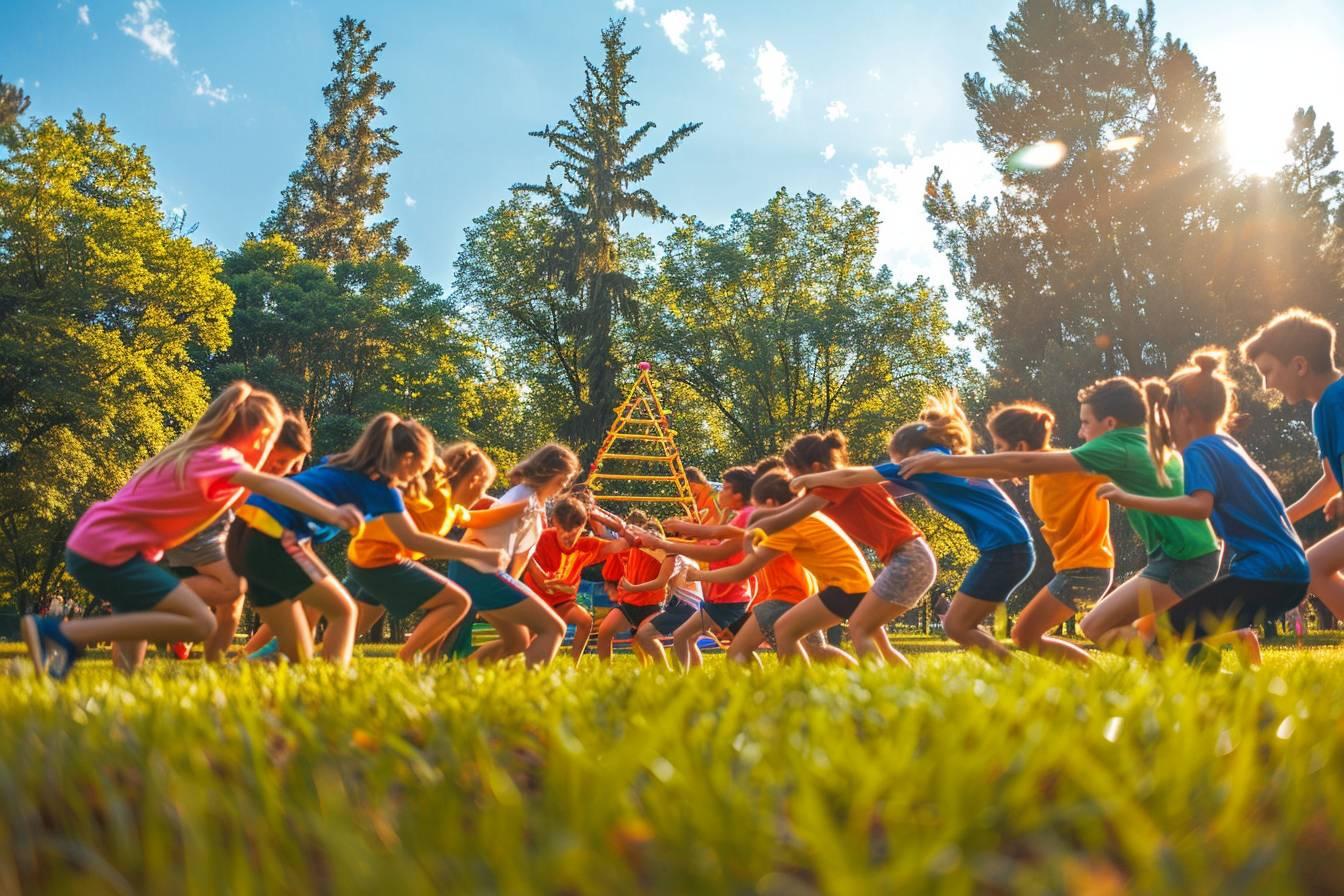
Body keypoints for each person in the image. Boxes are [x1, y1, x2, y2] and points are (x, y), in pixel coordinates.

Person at [22, 383, 363, 678]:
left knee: (135, 623)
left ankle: (121, 679)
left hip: (104, 546)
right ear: (260, 437)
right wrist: (329, 511)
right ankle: (62, 633)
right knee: (201, 623)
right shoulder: (222, 458)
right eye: (271, 447)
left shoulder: (200, 451)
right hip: (109, 550)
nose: (278, 467)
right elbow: (268, 486)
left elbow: (252, 498)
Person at [899, 379, 1223, 655]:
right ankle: (1187, 669)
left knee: (1100, 627)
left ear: (1109, 423)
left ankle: (1191, 672)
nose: (1081, 433)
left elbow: (1023, 464)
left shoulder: (1113, 447)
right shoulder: (1141, 439)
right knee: (1100, 626)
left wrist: (942, 464)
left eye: (1085, 423)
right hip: (1180, 555)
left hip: (1185, 559)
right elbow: (1010, 465)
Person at [229, 413, 505, 668]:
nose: (416, 476)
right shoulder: (380, 488)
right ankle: (333, 679)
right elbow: (415, 540)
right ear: (407, 458)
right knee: (343, 612)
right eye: (418, 467)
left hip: (246, 531)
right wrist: (481, 555)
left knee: (302, 636)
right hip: (271, 534)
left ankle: (243, 667)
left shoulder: (340, 464)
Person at [1099, 351, 1309, 664]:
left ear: (1184, 414)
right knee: (1185, 633)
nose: (1167, 430)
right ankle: (1218, 688)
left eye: (1168, 419)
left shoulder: (1199, 450)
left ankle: (1226, 700)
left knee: (1160, 634)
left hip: (1264, 574)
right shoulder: (1226, 444)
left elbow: (1199, 507)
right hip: (1291, 574)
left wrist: (1129, 499)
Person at [794, 392, 1035, 662]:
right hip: (1010, 547)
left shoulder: (918, 464)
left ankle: (1016, 674)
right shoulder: (935, 460)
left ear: (905, 453)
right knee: (957, 625)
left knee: (955, 626)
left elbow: (852, 477)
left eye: (894, 459)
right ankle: (1013, 673)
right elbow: (878, 490)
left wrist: (808, 480)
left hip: (1007, 548)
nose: (895, 465)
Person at [752, 430, 936, 667]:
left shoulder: (830, 486)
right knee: (875, 637)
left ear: (816, 468)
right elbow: (787, 511)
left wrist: (749, 528)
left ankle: (882, 691)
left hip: (908, 558)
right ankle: (905, 688)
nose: (792, 481)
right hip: (912, 557)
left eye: (794, 473)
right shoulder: (840, 482)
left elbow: (786, 517)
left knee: (860, 627)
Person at [344, 441, 512, 663]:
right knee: (458, 602)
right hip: (380, 558)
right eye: (482, 490)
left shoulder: (452, 508)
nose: (481, 497)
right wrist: (481, 554)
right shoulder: (436, 495)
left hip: (367, 557)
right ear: (473, 481)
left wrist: (524, 505)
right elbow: (423, 543)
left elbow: (480, 517)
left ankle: (315, 658)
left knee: (352, 627)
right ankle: (408, 657)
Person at [163, 413, 312, 662]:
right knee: (234, 588)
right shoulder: (242, 463)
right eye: (285, 461)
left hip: (211, 532)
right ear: (267, 443)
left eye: (295, 463)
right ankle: (149, 595)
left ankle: (214, 665)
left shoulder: (257, 470)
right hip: (194, 529)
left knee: (232, 597)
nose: (289, 470)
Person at [1240, 309, 1344, 619]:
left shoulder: (1334, 401)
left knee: (1315, 568)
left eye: (1268, 371)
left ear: (1299, 365)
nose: (1267, 385)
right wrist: (1282, 520)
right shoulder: (1325, 405)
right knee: (1315, 567)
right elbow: (1330, 481)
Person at [446, 443, 581, 667]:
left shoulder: (534, 503)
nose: (565, 484)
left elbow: (521, 558)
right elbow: (481, 521)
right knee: (554, 628)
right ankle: (528, 689)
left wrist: (513, 589)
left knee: (517, 640)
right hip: (477, 571)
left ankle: (459, 674)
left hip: (480, 572)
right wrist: (456, 515)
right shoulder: (523, 498)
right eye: (564, 477)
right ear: (550, 471)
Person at [523, 495, 630, 663]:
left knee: (585, 620)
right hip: (538, 600)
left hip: (562, 603)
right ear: (555, 523)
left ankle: (574, 664)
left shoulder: (586, 546)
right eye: (563, 534)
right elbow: (527, 561)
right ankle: (518, 661)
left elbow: (625, 542)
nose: (568, 539)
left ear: (582, 527)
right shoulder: (543, 538)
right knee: (524, 641)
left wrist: (595, 514)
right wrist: (550, 583)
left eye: (573, 535)